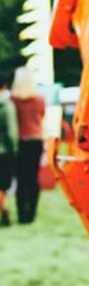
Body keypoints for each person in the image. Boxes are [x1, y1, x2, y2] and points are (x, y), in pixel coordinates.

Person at [11, 66, 45, 224]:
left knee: (21, 179)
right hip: (36, 140)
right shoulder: (39, 99)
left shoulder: (13, 100)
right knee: (33, 178)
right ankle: (31, 214)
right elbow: (42, 116)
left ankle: (21, 214)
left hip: (19, 141)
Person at [0, 72, 19, 226]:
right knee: (2, 185)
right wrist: (14, 150)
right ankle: (3, 208)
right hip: (3, 151)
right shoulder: (6, 104)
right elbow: (11, 131)